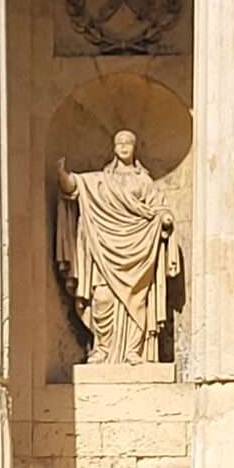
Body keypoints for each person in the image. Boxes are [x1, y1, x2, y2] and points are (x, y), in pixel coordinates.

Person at [55, 130, 178, 364]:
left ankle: (134, 349)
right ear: (114, 148)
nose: (123, 147)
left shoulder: (144, 181)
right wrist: (62, 173)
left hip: (140, 249)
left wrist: (165, 218)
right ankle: (103, 348)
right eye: (119, 143)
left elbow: (158, 206)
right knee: (102, 298)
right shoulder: (100, 180)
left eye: (128, 143)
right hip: (105, 249)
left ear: (134, 148)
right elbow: (74, 186)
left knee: (138, 300)